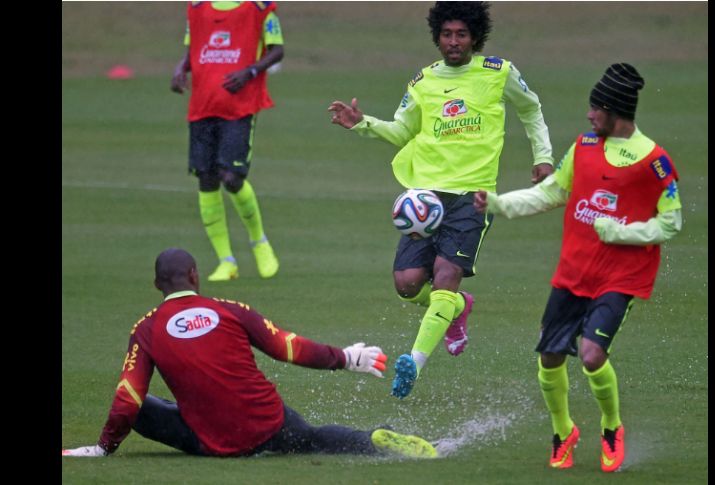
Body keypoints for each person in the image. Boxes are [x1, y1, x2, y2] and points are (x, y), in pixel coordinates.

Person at [328, 1, 554, 399]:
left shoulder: (498, 72)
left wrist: (543, 158)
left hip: (473, 196)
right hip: (425, 199)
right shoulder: (423, 81)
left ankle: (413, 362)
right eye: (447, 35)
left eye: (461, 34)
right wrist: (361, 123)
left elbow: (532, 109)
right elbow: (402, 131)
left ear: (475, 37)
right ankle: (455, 308)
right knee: (407, 284)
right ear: (437, 37)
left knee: (446, 276)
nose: (453, 42)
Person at [474, 63, 682, 472]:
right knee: (550, 357)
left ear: (616, 110)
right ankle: (563, 431)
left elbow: (671, 222)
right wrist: (499, 203)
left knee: (590, 354)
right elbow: (552, 193)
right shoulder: (584, 146)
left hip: (621, 277)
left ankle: (611, 426)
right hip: (574, 272)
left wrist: (621, 231)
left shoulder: (654, 161)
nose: (589, 115)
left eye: (596, 108)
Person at [61, 248, 437, 459]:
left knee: (143, 408)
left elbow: (127, 398)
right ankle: (372, 440)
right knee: (314, 438)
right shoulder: (230, 309)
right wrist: (347, 358)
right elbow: (288, 347)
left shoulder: (146, 329)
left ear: (157, 284)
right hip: (269, 422)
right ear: (194, 276)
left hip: (216, 443)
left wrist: (103, 447)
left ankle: (202, 429)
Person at [171, 1, 282, 282]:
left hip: (239, 107)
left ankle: (259, 242)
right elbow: (192, 46)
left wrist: (250, 72)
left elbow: (278, 50)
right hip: (202, 106)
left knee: (231, 177)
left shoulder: (259, 8)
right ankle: (226, 261)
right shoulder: (196, 7)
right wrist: (180, 68)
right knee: (206, 180)